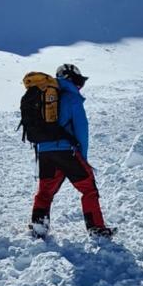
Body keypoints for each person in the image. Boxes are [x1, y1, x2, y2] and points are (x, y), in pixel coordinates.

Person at [30, 64, 115, 239]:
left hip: (44, 152)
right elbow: (82, 131)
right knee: (88, 189)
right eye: (78, 82)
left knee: (45, 192)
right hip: (67, 152)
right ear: (71, 80)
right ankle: (96, 228)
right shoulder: (72, 99)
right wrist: (82, 158)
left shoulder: (43, 97)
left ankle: (38, 227)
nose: (79, 86)